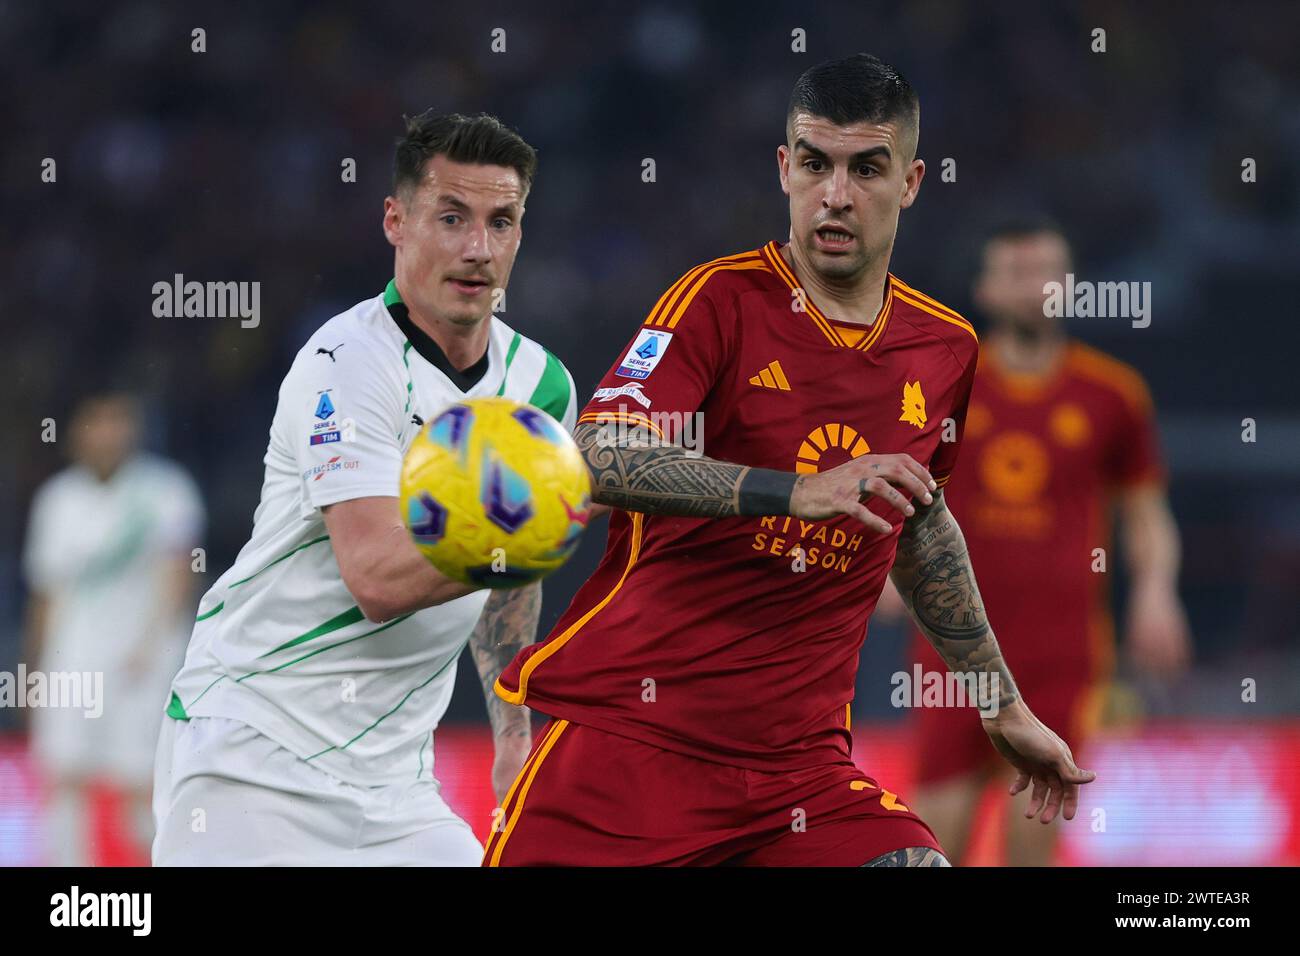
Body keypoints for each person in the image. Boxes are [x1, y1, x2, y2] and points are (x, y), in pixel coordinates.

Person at [485, 53, 1092, 867]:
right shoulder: (715, 302)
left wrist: (999, 702)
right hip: (627, 750)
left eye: (866, 169)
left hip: (796, 778)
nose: (836, 195)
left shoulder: (945, 348)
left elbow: (922, 521)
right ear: (785, 169)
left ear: (910, 182)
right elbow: (597, 453)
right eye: (816, 164)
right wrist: (793, 491)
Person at [152, 112, 579, 865]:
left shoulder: (541, 387)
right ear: (396, 220)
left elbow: (507, 581)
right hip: (253, 752)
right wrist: (526, 524)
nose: (477, 248)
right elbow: (377, 577)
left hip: (396, 785)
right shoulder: (345, 363)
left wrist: (514, 733)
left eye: (500, 221)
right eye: (451, 218)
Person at [904, 220, 1190, 865]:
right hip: (953, 650)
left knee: (1032, 843)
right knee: (932, 840)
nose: (1036, 288)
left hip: (1060, 655)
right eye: (1017, 272)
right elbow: (903, 488)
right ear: (984, 287)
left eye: (1048, 272)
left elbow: (1146, 514)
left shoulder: (1112, 395)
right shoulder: (941, 386)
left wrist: (1156, 593)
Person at [23, 390, 204, 865]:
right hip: (74, 660)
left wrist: (153, 647)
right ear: (79, 432)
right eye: (97, 422)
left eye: (118, 421)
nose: (108, 433)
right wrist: (36, 669)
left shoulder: (165, 490)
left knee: (142, 787)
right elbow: (46, 593)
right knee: (65, 779)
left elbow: (179, 572)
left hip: (142, 663)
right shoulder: (57, 500)